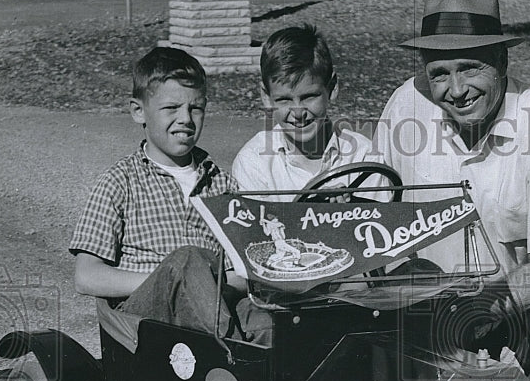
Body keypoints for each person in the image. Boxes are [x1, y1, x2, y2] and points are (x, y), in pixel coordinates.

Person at [372, 0, 530, 381]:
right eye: (439, 73)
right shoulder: (405, 104)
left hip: (515, 295)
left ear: (502, 62)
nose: (456, 90)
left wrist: (484, 304)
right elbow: (372, 216)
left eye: (469, 68)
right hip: (428, 294)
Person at [70, 46, 242, 343]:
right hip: (144, 325)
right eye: (171, 108)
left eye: (195, 108)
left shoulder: (223, 186)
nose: (186, 119)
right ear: (139, 111)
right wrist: (173, 280)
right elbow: (86, 276)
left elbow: (239, 275)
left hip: (211, 309)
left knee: (266, 319)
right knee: (187, 261)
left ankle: (273, 374)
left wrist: (203, 284)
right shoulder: (120, 182)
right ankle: (237, 360)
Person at [232, 23, 377, 199]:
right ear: (265, 96)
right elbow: (252, 225)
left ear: (332, 88)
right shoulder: (254, 162)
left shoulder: (363, 157)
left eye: (309, 96)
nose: (298, 113)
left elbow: (380, 221)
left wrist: (352, 208)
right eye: (284, 100)